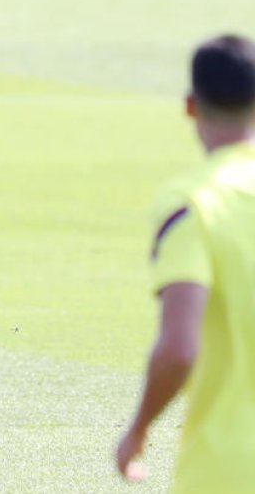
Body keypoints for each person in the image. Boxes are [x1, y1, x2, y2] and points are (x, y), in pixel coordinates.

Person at [116, 34, 255, 491]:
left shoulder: (193, 203)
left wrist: (139, 427)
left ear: (191, 106)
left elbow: (179, 348)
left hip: (227, 469)